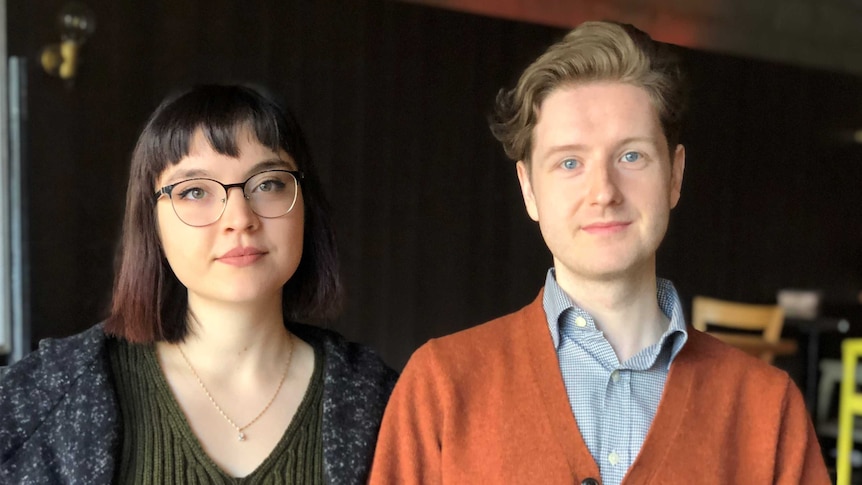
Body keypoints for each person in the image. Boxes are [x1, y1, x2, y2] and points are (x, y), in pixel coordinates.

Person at [369, 21, 829, 484]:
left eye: (631, 156)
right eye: (570, 162)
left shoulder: (769, 410)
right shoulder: (441, 387)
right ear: (529, 189)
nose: (603, 191)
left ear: (675, 175)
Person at [0, 84, 397, 484]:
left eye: (268, 184)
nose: (239, 218)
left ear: (304, 205)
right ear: (150, 223)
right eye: (194, 191)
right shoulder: (52, 393)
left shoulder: (380, 399)